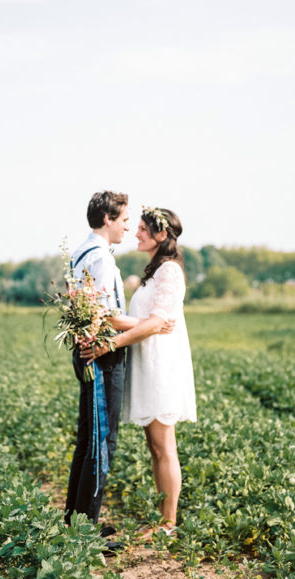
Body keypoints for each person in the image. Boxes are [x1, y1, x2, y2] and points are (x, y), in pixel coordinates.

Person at [82, 206, 196, 539]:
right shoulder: (154, 270)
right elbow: (147, 321)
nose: (137, 232)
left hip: (161, 365)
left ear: (162, 235)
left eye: (144, 228)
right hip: (147, 362)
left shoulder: (170, 272)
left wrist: (110, 343)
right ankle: (164, 519)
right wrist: (96, 314)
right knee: (155, 446)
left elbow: (158, 323)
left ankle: (169, 524)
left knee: (164, 446)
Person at [65, 191, 174, 532]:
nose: (128, 228)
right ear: (108, 219)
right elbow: (106, 315)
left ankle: (77, 522)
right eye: (125, 220)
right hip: (102, 355)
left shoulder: (81, 251)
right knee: (101, 443)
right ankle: (85, 532)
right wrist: (150, 325)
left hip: (91, 353)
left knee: (88, 441)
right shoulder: (100, 258)